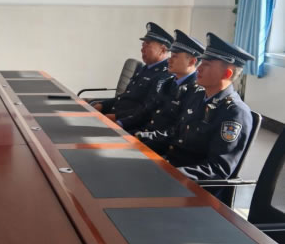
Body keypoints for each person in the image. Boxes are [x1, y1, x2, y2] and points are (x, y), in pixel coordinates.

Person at [141, 32, 255, 182]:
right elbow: (176, 135)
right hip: (170, 167)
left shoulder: (235, 113)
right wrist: (140, 140)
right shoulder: (198, 96)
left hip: (189, 185)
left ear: (227, 74)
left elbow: (217, 169)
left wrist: (169, 174)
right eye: (201, 63)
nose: (199, 69)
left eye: (206, 65)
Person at [118, 29, 205, 134]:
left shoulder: (196, 92)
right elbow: (146, 112)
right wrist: (121, 123)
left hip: (153, 140)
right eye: (171, 55)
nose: (169, 60)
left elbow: (175, 131)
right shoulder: (168, 83)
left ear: (191, 61)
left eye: (175, 56)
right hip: (143, 134)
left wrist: (140, 136)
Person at [94, 22, 173, 121]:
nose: (142, 50)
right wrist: (102, 105)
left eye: (147, 45)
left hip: (127, 123)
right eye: (143, 45)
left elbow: (146, 109)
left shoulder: (165, 75)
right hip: (116, 115)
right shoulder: (145, 68)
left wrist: (116, 117)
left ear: (162, 50)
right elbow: (126, 96)